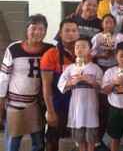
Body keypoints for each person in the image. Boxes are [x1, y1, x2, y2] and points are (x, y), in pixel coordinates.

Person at [0, 14, 53, 151]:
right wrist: (0, 104)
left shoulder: (50, 50)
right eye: (33, 28)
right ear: (27, 30)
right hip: (14, 105)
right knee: (12, 144)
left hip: (37, 105)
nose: (37, 32)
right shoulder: (14, 49)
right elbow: (3, 78)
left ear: (46, 31)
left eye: (41, 28)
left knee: (39, 144)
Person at [40, 18, 80, 151]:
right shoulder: (50, 55)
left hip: (80, 104)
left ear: (78, 33)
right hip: (59, 105)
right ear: (60, 33)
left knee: (84, 136)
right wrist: (51, 112)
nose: (71, 33)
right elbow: (46, 86)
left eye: (74, 30)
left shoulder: (85, 53)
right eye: (67, 30)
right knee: (52, 136)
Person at [57, 36, 103, 151]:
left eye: (83, 47)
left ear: (90, 50)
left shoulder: (95, 68)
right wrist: (72, 82)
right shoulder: (70, 68)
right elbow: (61, 84)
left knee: (91, 136)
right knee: (79, 136)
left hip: (91, 107)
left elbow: (101, 86)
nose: (80, 49)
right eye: (77, 47)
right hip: (76, 107)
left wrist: (91, 81)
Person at [91, 14, 117, 151]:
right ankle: (94, 140)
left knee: (108, 103)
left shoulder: (117, 38)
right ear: (102, 24)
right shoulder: (97, 37)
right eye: (106, 23)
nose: (108, 25)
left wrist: (114, 53)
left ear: (114, 24)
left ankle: (100, 139)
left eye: (111, 23)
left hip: (113, 69)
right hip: (100, 68)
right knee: (99, 103)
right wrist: (103, 55)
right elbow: (92, 53)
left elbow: (121, 53)